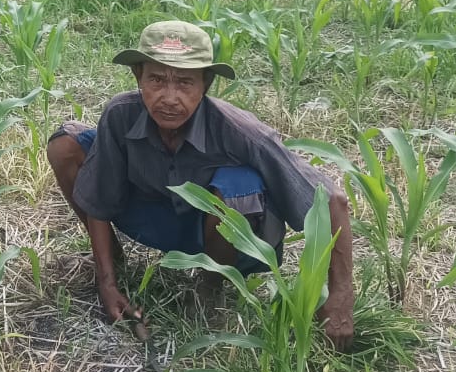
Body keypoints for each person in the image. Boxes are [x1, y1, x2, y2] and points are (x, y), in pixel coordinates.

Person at [46, 21, 355, 351]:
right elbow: (98, 192)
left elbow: (331, 202)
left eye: (184, 83)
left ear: (206, 84)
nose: (169, 97)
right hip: (154, 213)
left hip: (221, 234)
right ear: (138, 77)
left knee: (236, 191)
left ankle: (210, 286)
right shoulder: (120, 115)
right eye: (157, 80)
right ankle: (114, 260)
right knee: (65, 145)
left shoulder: (241, 132)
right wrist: (106, 282)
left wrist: (340, 297)